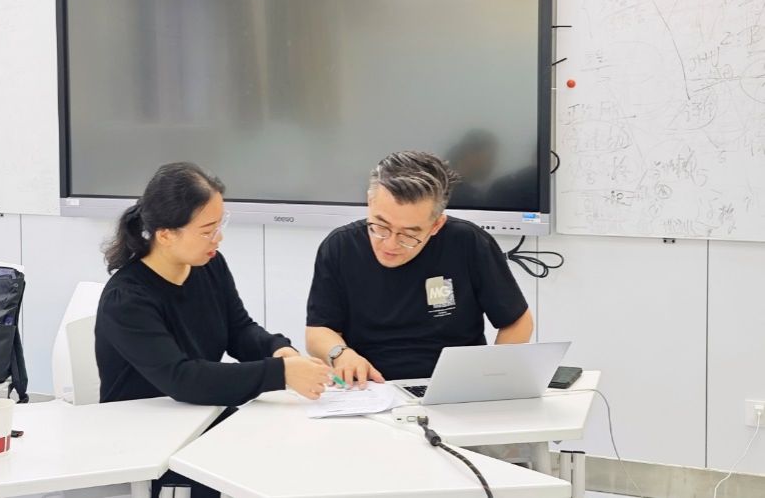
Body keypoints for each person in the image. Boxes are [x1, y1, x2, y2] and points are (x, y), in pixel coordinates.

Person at [96, 162, 332, 498]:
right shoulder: (127, 300)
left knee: (291, 454)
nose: (218, 238)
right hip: (146, 437)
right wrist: (281, 373)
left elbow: (238, 330)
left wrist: (279, 350)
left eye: (220, 225)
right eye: (207, 230)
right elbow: (182, 379)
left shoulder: (208, 265)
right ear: (166, 235)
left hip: (198, 416)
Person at [305, 150, 533, 386]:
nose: (390, 244)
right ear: (370, 202)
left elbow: (517, 322)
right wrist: (341, 354)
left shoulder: (468, 242)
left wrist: (491, 377)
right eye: (380, 226)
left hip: (453, 384)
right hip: (370, 386)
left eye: (408, 235)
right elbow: (318, 330)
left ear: (436, 225)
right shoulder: (341, 246)